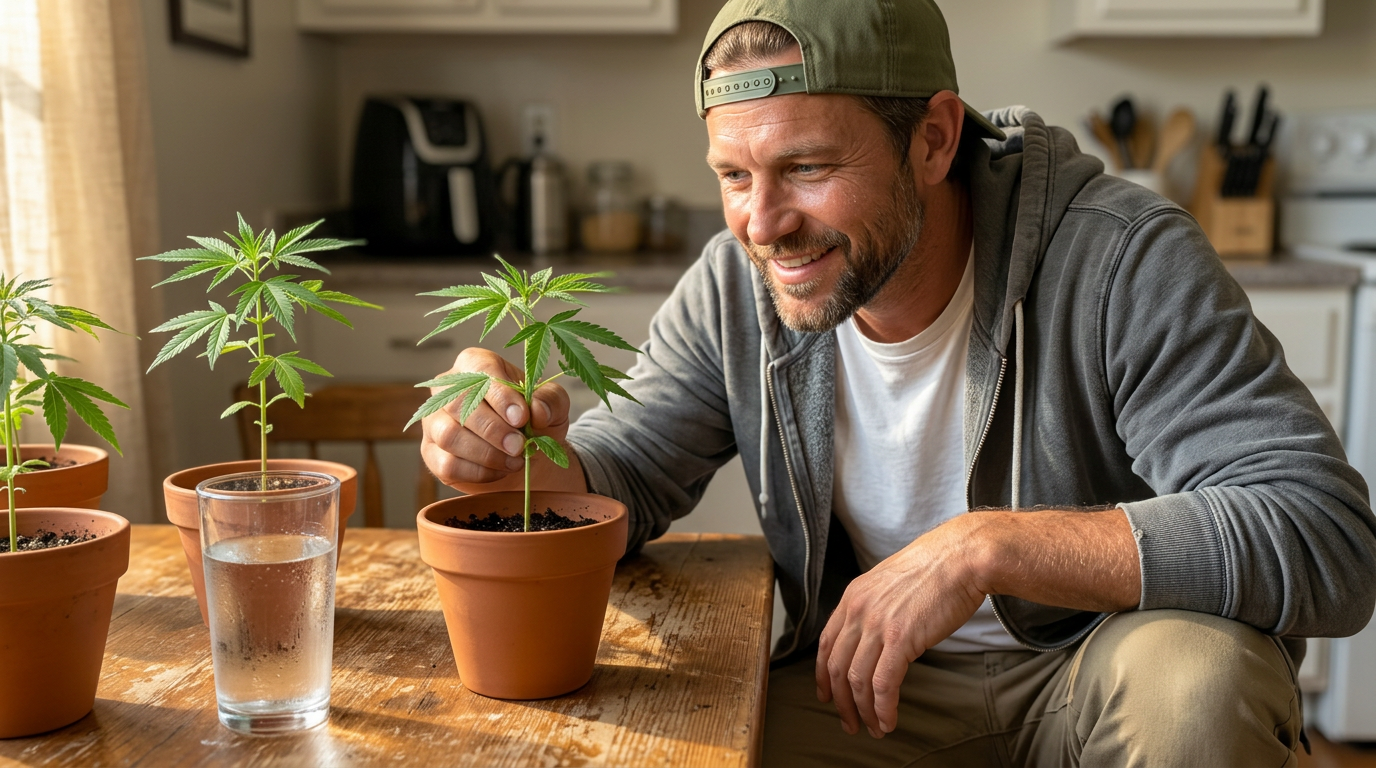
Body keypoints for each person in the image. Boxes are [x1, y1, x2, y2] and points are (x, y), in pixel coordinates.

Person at [419, 1, 1376, 765]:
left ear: (934, 140)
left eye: (807, 167)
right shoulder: (732, 283)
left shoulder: (1123, 260)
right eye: (734, 175)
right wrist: (513, 453)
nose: (763, 223)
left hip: (1102, 675)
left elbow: (1324, 537)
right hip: (867, 695)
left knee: (1198, 681)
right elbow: (626, 473)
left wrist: (986, 547)